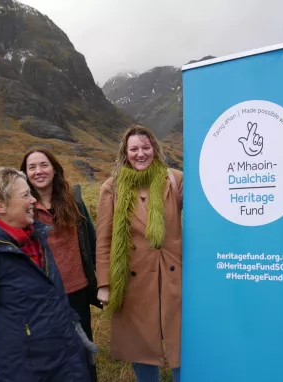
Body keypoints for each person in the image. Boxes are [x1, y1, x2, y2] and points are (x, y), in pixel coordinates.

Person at [0, 167, 92, 382]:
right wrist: (11, 335)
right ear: (0, 206)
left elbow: (52, 296)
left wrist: (72, 325)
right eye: (25, 195)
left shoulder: (38, 239)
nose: (34, 200)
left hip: (64, 360)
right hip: (23, 370)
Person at [95, 125, 183, 382]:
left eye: (146, 147)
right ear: (125, 152)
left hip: (173, 273)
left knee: (182, 340)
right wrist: (104, 283)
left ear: (155, 149)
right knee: (140, 345)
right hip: (133, 279)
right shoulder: (112, 188)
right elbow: (104, 238)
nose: (140, 154)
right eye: (134, 149)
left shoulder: (175, 179)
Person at [20, 149, 100, 382]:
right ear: (25, 173)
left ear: (54, 169)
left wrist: (103, 281)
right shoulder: (22, 206)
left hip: (78, 292)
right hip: (41, 297)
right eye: (32, 167)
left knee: (84, 354)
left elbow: (91, 241)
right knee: (51, 358)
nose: (38, 171)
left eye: (43, 165)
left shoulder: (73, 200)